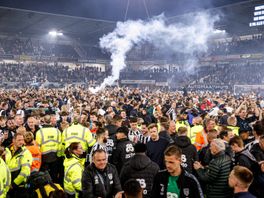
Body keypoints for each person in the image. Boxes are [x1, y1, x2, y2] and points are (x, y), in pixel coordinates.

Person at [36, 115, 62, 183]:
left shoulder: (39, 132)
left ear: (43, 121)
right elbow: (60, 144)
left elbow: (37, 147)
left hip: (44, 157)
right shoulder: (57, 131)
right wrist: (59, 156)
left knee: (44, 177)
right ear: (51, 121)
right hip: (55, 157)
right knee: (54, 176)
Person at [6, 132, 33, 198]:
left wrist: (14, 184)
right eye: (19, 140)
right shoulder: (7, 150)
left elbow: (25, 172)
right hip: (7, 184)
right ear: (13, 140)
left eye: (22, 140)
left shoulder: (26, 153)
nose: (21, 142)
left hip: (19, 186)